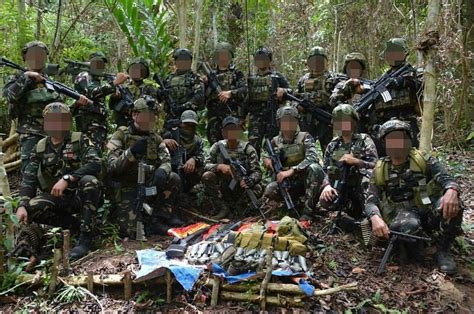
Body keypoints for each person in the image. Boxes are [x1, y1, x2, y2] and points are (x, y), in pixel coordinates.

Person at [365, 120, 462, 274]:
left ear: (408, 140)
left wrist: (451, 190)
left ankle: (443, 251)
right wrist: (375, 217)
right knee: (404, 228)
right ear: (385, 144)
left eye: (400, 138)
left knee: (453, 203)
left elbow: (446, 178)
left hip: (428, 208)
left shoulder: (422, 159)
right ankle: (420, 251)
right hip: (405, 214)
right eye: (391, 140)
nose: (396, 143)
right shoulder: (380, 168)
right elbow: (371, 199)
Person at [15, 102, 102, 260]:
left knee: (90, 182)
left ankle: (86, 236)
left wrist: (68, 178)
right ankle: (74, 225)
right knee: (32, 207)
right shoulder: (40, 147)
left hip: (80, 196)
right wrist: (22, 205)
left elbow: (95, 163)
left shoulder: (79, 139)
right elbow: (29, 179)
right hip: (57, 198)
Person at [3, 41, 88, 173]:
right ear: (25, 58)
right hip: (31, 133)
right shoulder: (18, 77)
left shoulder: (50, 82)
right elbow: (10, 96)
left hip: (55, 134)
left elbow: (61, 111)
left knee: (55, 170)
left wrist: (77, 104)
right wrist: (26, 78)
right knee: (30, 172)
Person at [107, 98, 181, 237]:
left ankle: (158, 218)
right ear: (134, 115)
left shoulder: (156, 138)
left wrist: (161, 171)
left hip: (149, 185)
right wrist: (131, 152)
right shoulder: (121, 134)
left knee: (173, 178)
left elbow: (166, 160)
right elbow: (111, 166)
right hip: (126, 186)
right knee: (131, 232)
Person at [360, 38, 422, 152]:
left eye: (396, 52)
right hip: (383, 125)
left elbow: (419, 85)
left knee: (411, 157)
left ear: (405, 53)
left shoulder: (413, 72)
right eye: (390, 52)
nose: (393, 55)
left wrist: (403, 80)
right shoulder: (382, 79)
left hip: (406, 123)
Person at [262, 106, 324, 219]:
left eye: (292, 120)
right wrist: (267, 161)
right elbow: (265, 156)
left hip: (305, 181)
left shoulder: (305, 137)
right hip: (287, 182)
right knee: (270, 189)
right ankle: (290, 206)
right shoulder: (275, 141)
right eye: (285, 121)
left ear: (296, 121)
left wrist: (293, 170)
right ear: (279, 123)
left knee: (314, 168)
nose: (288, 124)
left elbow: (312, 157)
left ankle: (307, 212)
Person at [319, 104, 378, 221]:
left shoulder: (364, 140)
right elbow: (325, 169)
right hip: (341, 186)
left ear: (354, 122)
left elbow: (375, 166)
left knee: (367, 181)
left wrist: (357, 162)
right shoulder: (333, 145)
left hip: (361, 185)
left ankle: (371, 213)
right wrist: (327, 186)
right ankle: (349, 210)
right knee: (325, 201)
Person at [202, 116, 262, 219]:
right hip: (223, 185)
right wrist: (219, 166)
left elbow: (257, 172)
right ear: (223, 132)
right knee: (207, 176)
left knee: (257, 188)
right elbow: (205, 164)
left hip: (240, 186)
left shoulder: (247, 148)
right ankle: (222, 207)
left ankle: (241, 208)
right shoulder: (218, 146)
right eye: (228, 130)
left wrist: (250, 180)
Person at [243, 47, 292, 157]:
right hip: (255, 119)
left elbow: (291, 92)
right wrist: (242, 116)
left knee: (273, 147)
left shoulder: (277, 77)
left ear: (269, 60)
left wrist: (283, 91)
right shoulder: (251, 79)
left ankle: (273, 171)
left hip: (272, 117)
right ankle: (254, 171)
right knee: (253, 148)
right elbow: (246, 99)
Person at [74, 52, 128, 150]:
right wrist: (114, 83)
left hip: (99, 125)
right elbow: (91, 93)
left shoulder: (97, 80)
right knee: (90, 154)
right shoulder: (84, 75)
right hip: (88, 124)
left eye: (102, 65)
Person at [295, 46, 339, 152]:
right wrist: (298, 107)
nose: (317, 63)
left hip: (325, 119)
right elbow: (295, 98)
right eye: (314, 60)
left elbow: (339, 99)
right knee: (306, 149)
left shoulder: (333, 78)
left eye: (320, 60)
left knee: (329, 149)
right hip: (307, 120)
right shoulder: (303, 80)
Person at [204, 42, 247, 144]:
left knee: (235, 147)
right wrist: (204, 84)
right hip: (214, 118)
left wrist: (230, 93)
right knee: (215, 147)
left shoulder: (237, 74)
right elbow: (202, 98)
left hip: (232, 117)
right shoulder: (210, 75)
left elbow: (245, 90)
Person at [162, 110, 205, 193]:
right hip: (170, 168)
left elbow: (203, 156)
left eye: (192, 125)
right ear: (181, 124)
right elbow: (154, 144)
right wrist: (164, 142)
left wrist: (194, 159)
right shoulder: (170, 135)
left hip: (188, 172)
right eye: (187, 124)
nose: (189, 127)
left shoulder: (198, 141)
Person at [109, 58, 158, 127]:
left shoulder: (149, 89)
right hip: (122, 124)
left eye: (140, 70)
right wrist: (114, 97)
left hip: (141, 125)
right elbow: (111, 106)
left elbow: (154, 108)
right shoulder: (122, 87)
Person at [161, 48, 205, 123]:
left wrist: (183, 107)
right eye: (180, 60)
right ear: (176, 62)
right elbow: (161, 97)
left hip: (188, 117)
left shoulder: (195, 77)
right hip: (170, 116)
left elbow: (199, 96)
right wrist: (160, 93)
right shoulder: (169, 78)